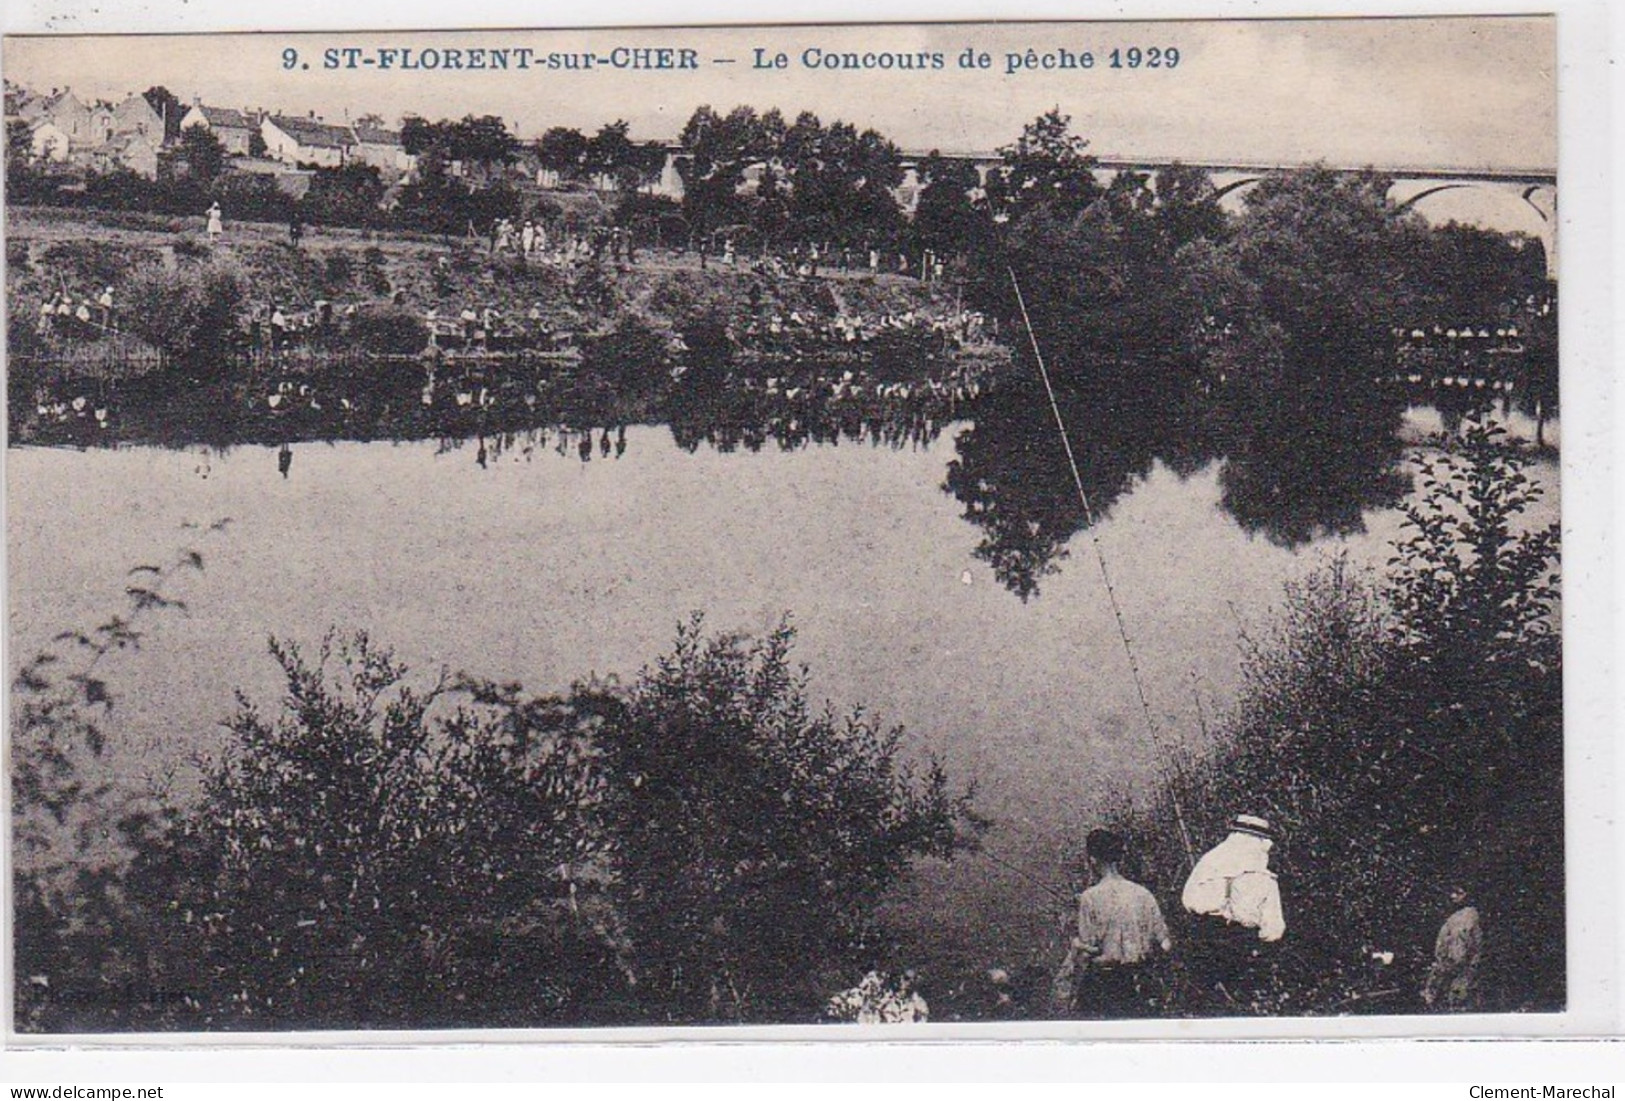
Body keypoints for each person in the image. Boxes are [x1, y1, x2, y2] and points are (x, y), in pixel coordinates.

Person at [1180, 813, 1286, 1009]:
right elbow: (1273, 929)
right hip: (1241, 943)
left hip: (1205, 938)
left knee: (1203, 1002)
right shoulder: (1263, 876)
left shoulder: (1207, 864)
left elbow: (1188, 900)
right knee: (1241, 1003)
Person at [1066, 828, 1171, 1018]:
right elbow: (1164, 942)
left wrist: (1077, 945)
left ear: (1092, 860)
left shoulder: (1090, 898)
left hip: (1105, 987)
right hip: (1142, 982)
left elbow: (1089, 947)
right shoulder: (1143, 894)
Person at [1421, 886, 1482, 1012]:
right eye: (1452, 892)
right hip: (1450, 968)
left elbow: (1464, 947)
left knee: (1457, 1002)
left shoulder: (1468, 916)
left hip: (1460, 970)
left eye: (1459, 893)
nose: (1453, 896)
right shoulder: (1453, 917)